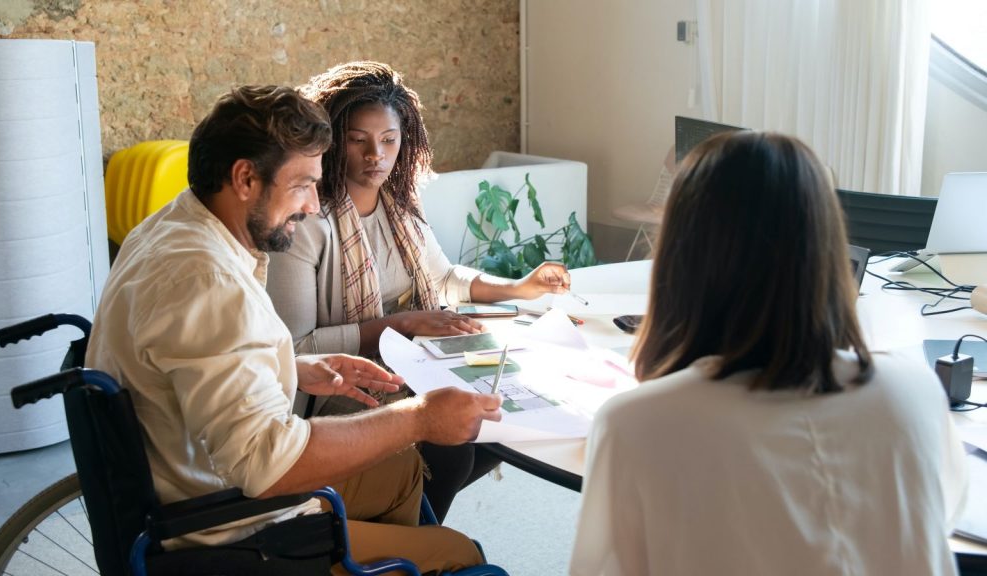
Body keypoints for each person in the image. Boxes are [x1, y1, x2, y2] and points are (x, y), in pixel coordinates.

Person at [86, 85, 502, 575]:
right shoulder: (209, 279)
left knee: (405, 472)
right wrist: (418, 419)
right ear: (244, 178)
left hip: (186, 475)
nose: (311, 206)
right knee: (462, 555)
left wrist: (293, 366)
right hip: (232, 527)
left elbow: (189, 359)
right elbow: (267, 466)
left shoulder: (169, 227)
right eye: (302, 184)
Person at [570, 132, 968, 576]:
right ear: (828, 250)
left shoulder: (637, 424)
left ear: (680, 258)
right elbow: (943, 515)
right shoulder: (915, 392)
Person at [266, 61, 569, 519]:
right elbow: (295, 349)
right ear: (332, 141)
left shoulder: (399, 205)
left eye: (388, 140)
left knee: (497, 421)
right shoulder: (307, 222)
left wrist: (521, 287)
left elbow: (443, 278)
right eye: (358, 140)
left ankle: (406, 517)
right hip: (338, 392)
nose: (376, 156)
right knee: (452, 447)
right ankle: (413, 538)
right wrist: (397, 325)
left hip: (414, 363)